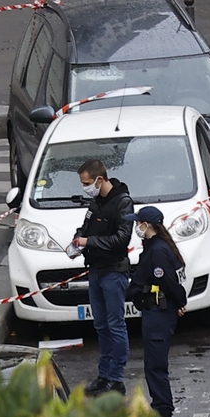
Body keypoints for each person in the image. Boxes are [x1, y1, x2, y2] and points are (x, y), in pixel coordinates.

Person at [70, 159, 134, 396]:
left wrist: (89, 242)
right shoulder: (96, 202)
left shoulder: (123, 203)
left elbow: (121, 239)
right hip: (96, 270)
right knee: (101, 325)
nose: (85, 187)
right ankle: (104, 374)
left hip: (114, 271)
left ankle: (116, 378)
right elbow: (85, 228)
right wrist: (77, 241)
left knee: (116, 325)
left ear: (100, 179)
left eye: (87, 183)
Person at [123, 206, 187, 417]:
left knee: (156, 368)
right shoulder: (155, 246)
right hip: (155, 314)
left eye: (138, 223)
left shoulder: (158, 251)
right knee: (153, 366)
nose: (136, 227)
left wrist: (180, 301)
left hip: (158, 315)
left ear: (147, 226)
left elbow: (169, 282)